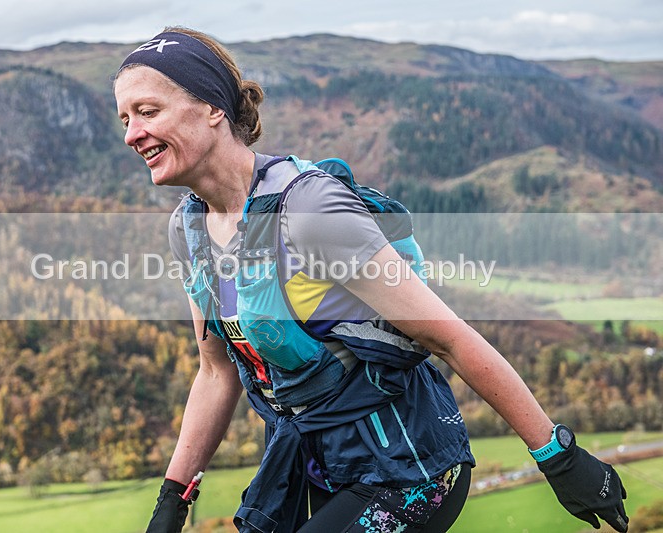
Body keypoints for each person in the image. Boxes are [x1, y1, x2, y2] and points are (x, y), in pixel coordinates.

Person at [113, 27, 629, 533]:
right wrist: (172, 503)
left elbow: (447, 337)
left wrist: (559, 457)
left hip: (410, 471)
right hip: (316, 466)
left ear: (212, 108)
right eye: (125, 119)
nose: (133, 133)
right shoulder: (188, 229)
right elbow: (216, 373)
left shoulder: (307, 209)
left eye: (148, 111)